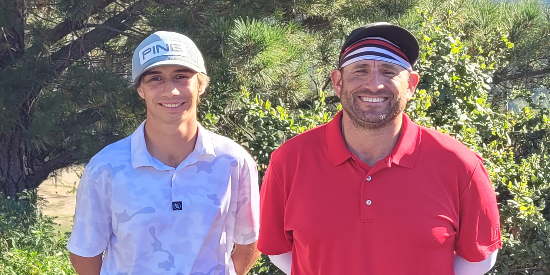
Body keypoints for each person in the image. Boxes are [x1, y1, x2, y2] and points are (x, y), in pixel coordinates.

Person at [258, 22, 502, 275]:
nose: (374, 85)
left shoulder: (460, 164)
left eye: (389, 72)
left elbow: (479, 259)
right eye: (360, 71)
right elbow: (277, 249)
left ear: (411, 86)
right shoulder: (290, 160)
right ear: (338, 82)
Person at [67, 31, 261, 275]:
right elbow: (85, 253)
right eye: (155, 79)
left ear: (200, 85)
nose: (171, 91)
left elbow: (249, 243)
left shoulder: (233, 160)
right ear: (140, 90)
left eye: (181, 77)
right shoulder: (106, 167)